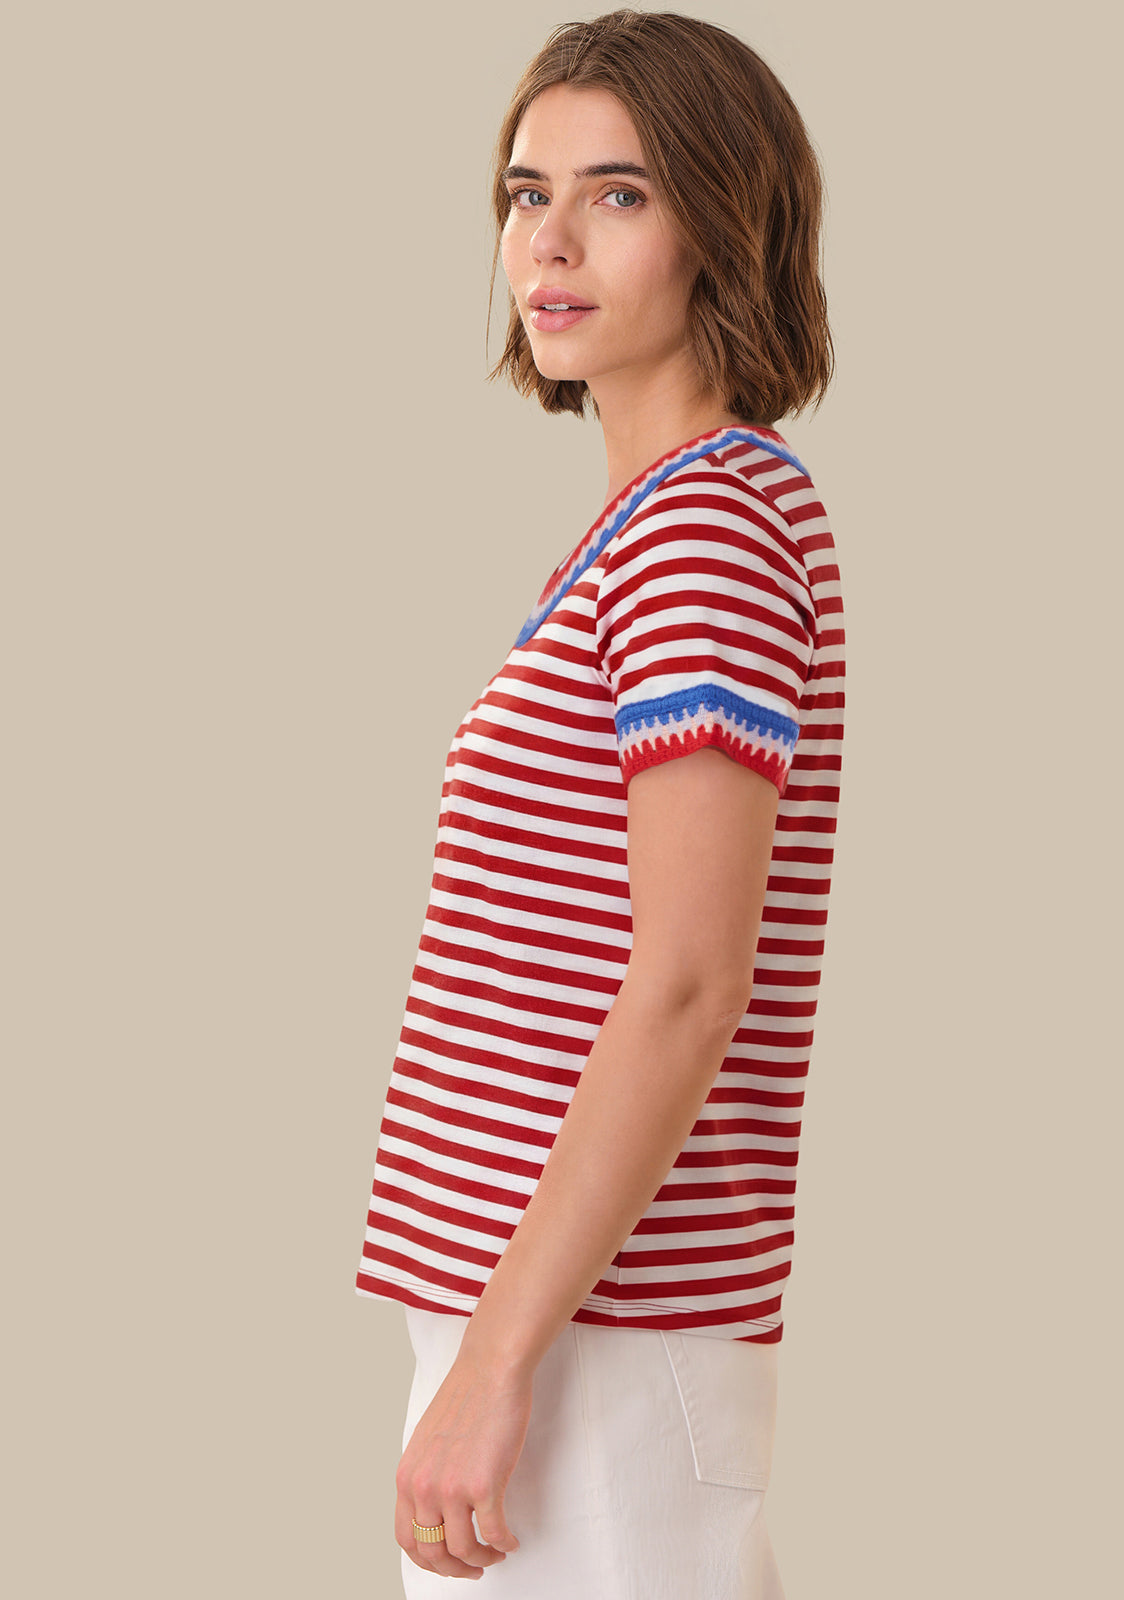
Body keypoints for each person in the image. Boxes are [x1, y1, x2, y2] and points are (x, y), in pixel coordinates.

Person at [354, 10, 845, 1595]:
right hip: (556, 1329)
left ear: (724, 222)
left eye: (618, 194)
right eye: (526, 193)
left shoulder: (705, 531)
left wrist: (498, 1363)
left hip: (595, 1356)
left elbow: (691, 981)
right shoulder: (654, 525)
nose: (548, 242)